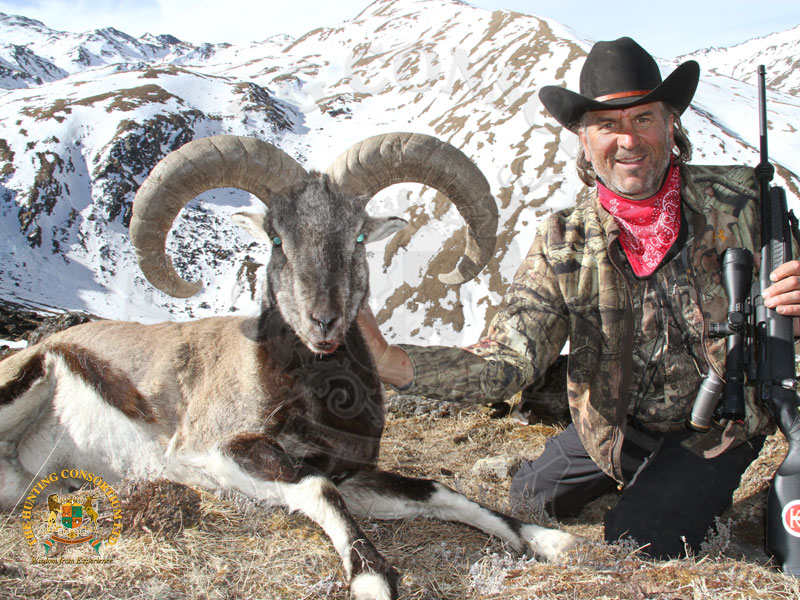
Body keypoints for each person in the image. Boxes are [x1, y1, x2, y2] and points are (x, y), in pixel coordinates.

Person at [357, 36, 800, 559]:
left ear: (671, 126)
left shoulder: (745, 202)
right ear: (584, 142)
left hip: (719, 423)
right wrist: (392, 363)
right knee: (529, 496)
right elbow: (509, 360)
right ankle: (646, 470)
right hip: (613, 424)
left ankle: (677, 484)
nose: (628, 140)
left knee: (641, 537)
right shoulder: (561, 239)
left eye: (643, 119)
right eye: (608, 125)